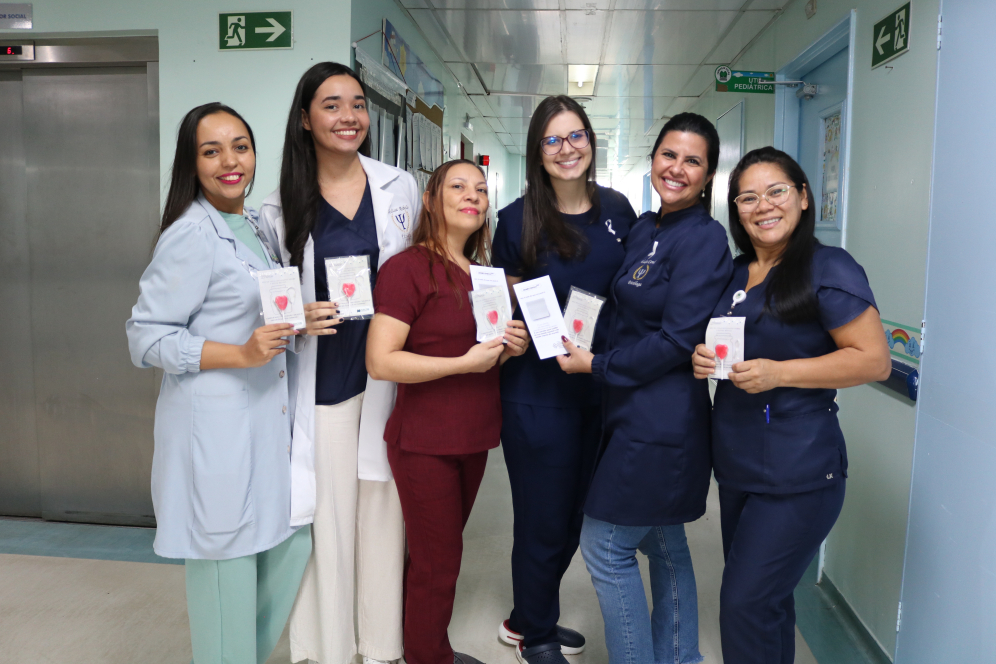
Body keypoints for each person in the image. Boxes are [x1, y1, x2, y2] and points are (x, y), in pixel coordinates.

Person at [127, 103, 311, 664]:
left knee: (290, 544)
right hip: (215, 431)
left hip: (262, 423)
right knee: (225, 572)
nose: (230, 161)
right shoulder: (189, 233)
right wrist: (241, 353)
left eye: (240, 147)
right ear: (192, 163)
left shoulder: (254, 225)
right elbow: (145, 338)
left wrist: (301, 316)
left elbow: (252, 307)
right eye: (211, 151)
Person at [691, 147, 890, 664]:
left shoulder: (827, 266)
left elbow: (874, 361)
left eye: (776, 191)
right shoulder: (737, 273)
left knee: (743, 605)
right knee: (769, 605)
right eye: (748, 198)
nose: (763, 206)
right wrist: (703, 357)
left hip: (798, 471)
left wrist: (781, 373)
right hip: (739, 465)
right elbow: (729, 342)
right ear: (736, 210)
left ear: (803, 196)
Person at [557, 113, 734, 664]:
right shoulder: (646, 228)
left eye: (692, 161)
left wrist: (596, 365)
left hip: (662, 420)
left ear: (708, 175)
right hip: (627, 408)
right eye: (668, 155)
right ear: (653, 158)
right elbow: (623, 311)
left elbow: (677, 340)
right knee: (662, 540)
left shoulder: (705, 239)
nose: (676, 169)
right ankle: (680, 657)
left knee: (605, 547)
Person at [256, 62, 417, 664]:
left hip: (386, 376)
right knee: (328, 519)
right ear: (305, 119)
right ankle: (327, 648)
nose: (349, 116)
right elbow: (267, 300)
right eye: (331, 105)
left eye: (357, 104)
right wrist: (296, 314)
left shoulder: (398, 187)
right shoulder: (278, 208)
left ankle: (381, 646)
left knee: (383, 515)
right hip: (322, 382)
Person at [490, 95, 637, 664]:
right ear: (537, 151)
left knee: (578, 515)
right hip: (537, 395)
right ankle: (536, 635)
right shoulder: (515, 220)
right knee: (542, 518)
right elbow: (502, 307)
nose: (566, 148)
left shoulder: (618, 210)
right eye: (552, 139)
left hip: (599, 388)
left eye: (575, 136)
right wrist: (507, 333)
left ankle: (528, 615)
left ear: (591, 142)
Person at [366, 160, 530, 664]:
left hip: (472, 437)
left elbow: (482, 354)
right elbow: (380, 361)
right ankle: (427, 655)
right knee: (438, 563)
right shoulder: (407, 269)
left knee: (439, 555)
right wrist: (462, 363)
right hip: (425, 443)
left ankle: (417, 644)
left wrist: (510, 348)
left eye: (480, 189)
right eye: (458, 186)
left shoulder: (484, 276)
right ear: (430, 200)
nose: (472, 196)